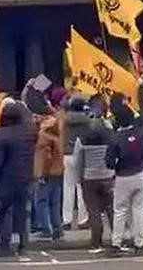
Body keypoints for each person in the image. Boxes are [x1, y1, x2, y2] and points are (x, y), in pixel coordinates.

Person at [0, 102, 38, 262]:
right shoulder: (30, 133)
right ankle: (23, 248)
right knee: (22, 213)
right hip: (26, 178)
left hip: (6, 179)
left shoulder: (2, 136)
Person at [106, 101, 143, 256]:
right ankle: (139, 244)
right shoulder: (140, 134)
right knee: (138, 211)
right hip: (139, 175)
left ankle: (116, 244)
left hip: (123, 177)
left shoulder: (116, 138)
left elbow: (109, 162)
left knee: (120, 211)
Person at [71, 123, 114, 253]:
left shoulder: (82, 139)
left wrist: (78, 179)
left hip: (89, 178)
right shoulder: (110, 137)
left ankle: (96, 242)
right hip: (107, 176)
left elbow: (77, 161)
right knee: (111, 209)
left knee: (93, 211)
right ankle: (117, 238)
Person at [33, 115, 64, 240]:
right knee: (55, 203)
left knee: (41, 202)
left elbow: (45, 158)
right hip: (58, 172)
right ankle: (57, 228)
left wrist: (41, 174)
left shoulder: (44, 138)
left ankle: (46, 229)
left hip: (46, 173)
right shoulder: (58, 137)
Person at [63, 96, 91, 229]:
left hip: (67, 152)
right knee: (81, 188)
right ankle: (82, 219)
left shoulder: (65, 119)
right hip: (81, 154)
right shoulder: (87, 120)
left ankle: (66, 219)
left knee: (68, 188)